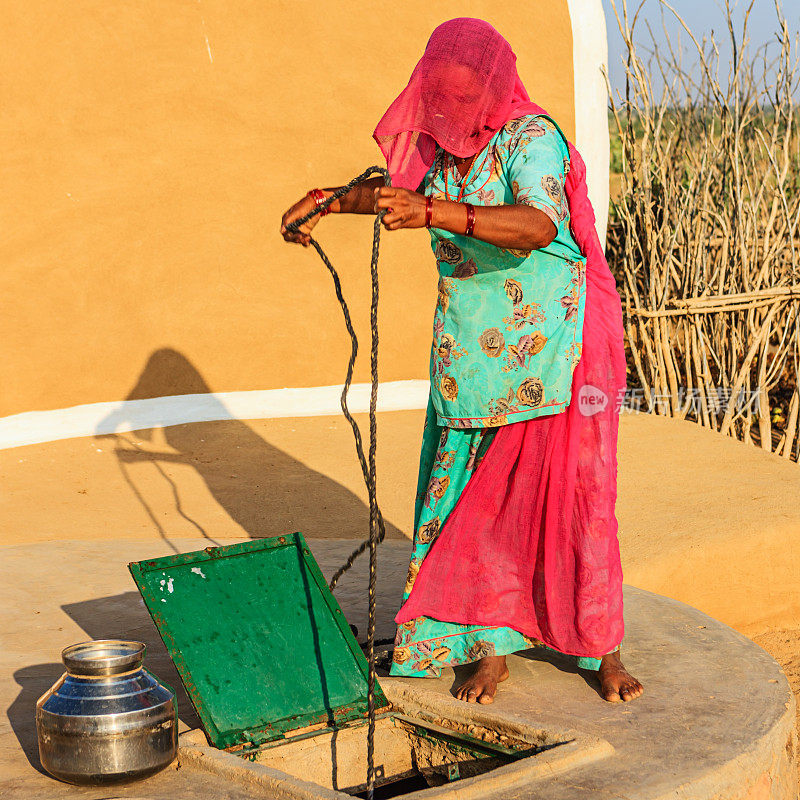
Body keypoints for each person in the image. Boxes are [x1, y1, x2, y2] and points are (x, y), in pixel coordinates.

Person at [280, 17, 643, 705]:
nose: (449, 104)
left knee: (576, 498)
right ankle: (486, 647)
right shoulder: (443, 144)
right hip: (478, 347)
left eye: (462, 90)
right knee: (471, 502)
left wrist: (438, 213)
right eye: (438, 92)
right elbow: (400, 196)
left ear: (492, 83)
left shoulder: (531, 136)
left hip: (559, 343)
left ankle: (600, 646)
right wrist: (328, 200)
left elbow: (539, 224)